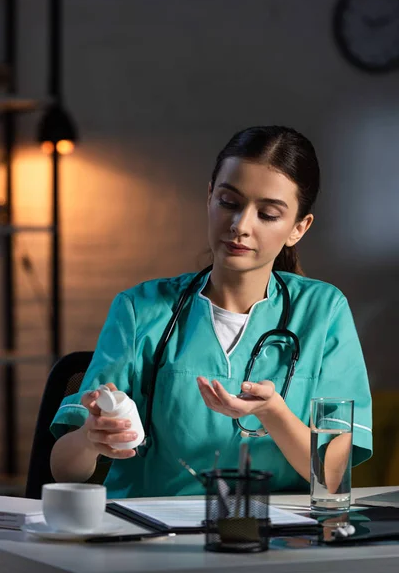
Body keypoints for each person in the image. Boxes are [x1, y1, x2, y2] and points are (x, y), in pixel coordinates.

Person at [49, 126, 372, 499]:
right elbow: (65, 469)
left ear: (298, 228)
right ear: (209, 197)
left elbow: (332, 477)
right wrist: (90, 438)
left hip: (276, 538)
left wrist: (273, 413)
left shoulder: (323, 311)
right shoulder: (139, 309)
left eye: (267, 214)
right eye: (229, 203)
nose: (240, 226)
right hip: (154, 536)